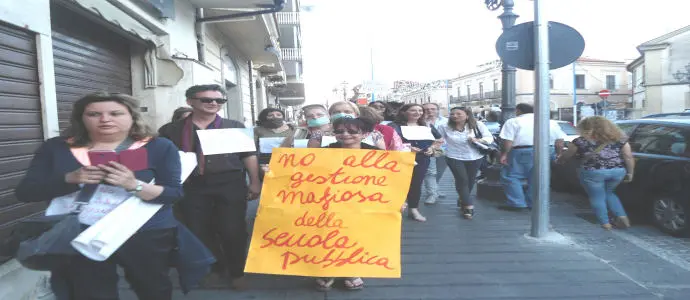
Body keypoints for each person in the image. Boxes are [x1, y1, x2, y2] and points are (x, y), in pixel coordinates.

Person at [15, 92, 185, 299]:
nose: (105, 119)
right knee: (89, 292)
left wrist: (133, 185)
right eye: (94, 114)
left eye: (115, 113)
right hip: (79, 230)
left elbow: (173, 194)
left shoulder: (158, 146)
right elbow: (25, 192)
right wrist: (69, 179)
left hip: (143, 230)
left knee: (152, 287)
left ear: (132, 116)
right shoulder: (57, 147)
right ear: (81, 118)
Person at [158, 84, 261, 290]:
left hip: (229, 183)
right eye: (207, 99)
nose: (213, 103)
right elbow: (163, 158)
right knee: (198, 229)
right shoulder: (172, 130)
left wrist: (255, 181)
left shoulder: (233, 125)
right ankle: (215, 268)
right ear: (190, 101)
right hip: (191, 185)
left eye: (219, 100)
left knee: (233, 230)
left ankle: (237, 272)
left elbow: (248, 155)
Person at [315, 117, 377, 291]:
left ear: (364, 134)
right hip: (329, 202)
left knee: (356, 236)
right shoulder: (324, 151)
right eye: (340, 131)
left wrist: (399, 201)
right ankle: (328, 270)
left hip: (363, 203)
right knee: (328, 236)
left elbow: (391, 180)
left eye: (352, 131)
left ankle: (352, 270)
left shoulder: (376, 153)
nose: (345, 134)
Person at [556, 116, 634, 230]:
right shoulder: (620, 139)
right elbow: (628, 156)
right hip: (617, 171)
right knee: (609, 193)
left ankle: (605, 223)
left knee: (597, 197)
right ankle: (622, 216)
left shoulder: (580, 141)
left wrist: (559, 157)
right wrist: (630, 173)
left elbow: (567, 156)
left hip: (593, 172)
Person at [498, 103, 566, 211]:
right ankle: (534, 203)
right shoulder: (550, 122)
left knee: (511, 176)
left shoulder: (513, 121)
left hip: (523, 151)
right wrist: (559, 154)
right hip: (547, 150)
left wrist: (504, 154)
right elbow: (560, 142)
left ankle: (517, 203)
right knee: (537, 178)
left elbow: (508, 141)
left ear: (518, 110)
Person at [388, 104, 443, 222]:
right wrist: (406, 147)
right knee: (398, 185)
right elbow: (388, 142)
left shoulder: (427, 125)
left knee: (416, 184)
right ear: (404, 112)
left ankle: (413, 209)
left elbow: (439, 139)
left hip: (422, 159)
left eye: (419, 110)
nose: (417, 113)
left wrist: (432, 148)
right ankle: (395, 209)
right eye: (413, 110)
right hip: (400, 158)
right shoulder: (394, 126)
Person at [438, 107, 494, 219]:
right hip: (454, 156)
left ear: (467, 115)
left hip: (475, 156)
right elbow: (438, 139)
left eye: (458, 114)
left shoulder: (477, 125)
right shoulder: (444, 126)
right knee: (462, 180)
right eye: (452, 114)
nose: (455, 116)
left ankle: (462, 198)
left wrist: (478, 140)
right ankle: (468, 206)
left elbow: (489, 138)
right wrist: (437, 144)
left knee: (470, 180)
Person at [421, 102, 449, 205]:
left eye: (432, 109)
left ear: (437, 110)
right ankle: (432, 194)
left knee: (440, 171)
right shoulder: (420, 122)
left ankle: (435, 189)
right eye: (427, 109)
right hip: (429, 149)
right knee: (431, 172)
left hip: (444, 149)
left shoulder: (446, 121)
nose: (430, 111)